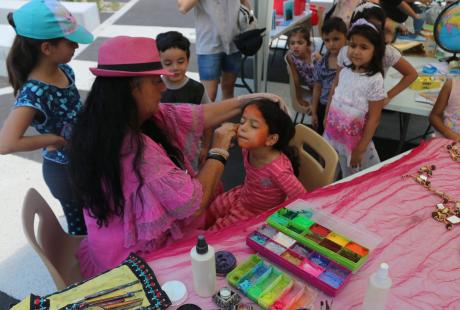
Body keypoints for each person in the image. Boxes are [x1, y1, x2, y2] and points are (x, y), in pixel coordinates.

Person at [68, 35, 286, 278]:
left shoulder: (106, 120)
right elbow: (192, 204)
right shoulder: (136, 151)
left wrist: (249, 99)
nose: (163, 86)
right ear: (132, 88)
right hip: (130, 263)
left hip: (106, 242)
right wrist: (218, 150)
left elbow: (199, 115)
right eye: (155, 81)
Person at [0, 0, 93, 235]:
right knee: (82, 232)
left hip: (83, 161)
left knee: (96, 220)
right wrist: (53, 139)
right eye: (70, 42)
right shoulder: (34, 93)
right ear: (47, 48)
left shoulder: (64, 70)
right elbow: (6, 143)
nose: (76, 46)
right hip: (65, 173)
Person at [206, 100, 306, 230]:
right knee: (210, 210)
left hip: (255, 213)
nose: (242, 128)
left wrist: (279, 223)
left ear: (271, 139)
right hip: (242, 196)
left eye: (253, 125)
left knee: (215, 233)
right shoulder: (249, 148)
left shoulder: (278, 170)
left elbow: (303, 199)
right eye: (242, 121)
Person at [324, 18, 386, 178]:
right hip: (334, 134)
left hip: (355, 143)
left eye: (363, 47)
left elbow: (374, 118)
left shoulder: (375, 80)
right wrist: (326, 117)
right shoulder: (344, 72)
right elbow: (335, 99)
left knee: (355, 179)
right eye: (352, 45)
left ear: (376, 50)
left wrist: (360, 149)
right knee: (332, 169)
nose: (356, 51)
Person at [336, 2, 417, 106]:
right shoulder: (347, 51)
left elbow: (411, 74)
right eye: (367, 26)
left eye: (377, 27)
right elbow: (337, 82)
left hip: (370, 105)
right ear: (354, 26)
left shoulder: (386, 52)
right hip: (343, 106)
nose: (372, 31)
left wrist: (389, 95)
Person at [156, 31, 212, 168]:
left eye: (180, 62)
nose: (175, 68)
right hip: (161, 152)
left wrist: (205, 147)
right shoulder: (154, 89)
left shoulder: (197, 89)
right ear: (159, 63)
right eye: (168, 63)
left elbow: (208, 120)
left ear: (187, 60)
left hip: (191, 151)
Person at [177, 0, 252, 101]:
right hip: (209, 44)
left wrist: (248, 19)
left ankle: (226, 116)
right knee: (208, 97)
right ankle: (209, 117)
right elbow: (183, 7)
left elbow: (244, 3)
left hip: (234, 41)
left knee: (228, 91)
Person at [311, 17, 348, 134]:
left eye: (336, 39)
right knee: (324, 138)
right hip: (323, 105)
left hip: (343, 109)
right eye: (327, 40)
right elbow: (317, 88)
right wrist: (314, 111)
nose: (331, 44)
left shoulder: (351, 62)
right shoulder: (322, 64)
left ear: (346, 37)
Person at [286, 27, 317, 114]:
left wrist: (315, 101)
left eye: (300, 43)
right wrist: (298, 98)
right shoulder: (291, 57)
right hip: (313, 87)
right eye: (292, 43)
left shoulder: (314, 56)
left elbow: (324, 77)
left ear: (308, 44)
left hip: (322, 85)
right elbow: (295, 79)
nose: (295, 46)